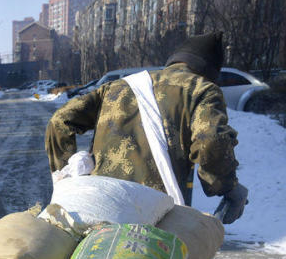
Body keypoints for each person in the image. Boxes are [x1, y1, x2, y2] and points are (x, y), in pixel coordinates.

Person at [45, 32, 248, 224]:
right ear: (209, 70)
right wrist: (226, 187)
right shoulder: (201, 89)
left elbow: (59, 121)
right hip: (154, 215)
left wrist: (65, 178)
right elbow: (210, 140)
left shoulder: (118, 86)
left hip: (101, 206)